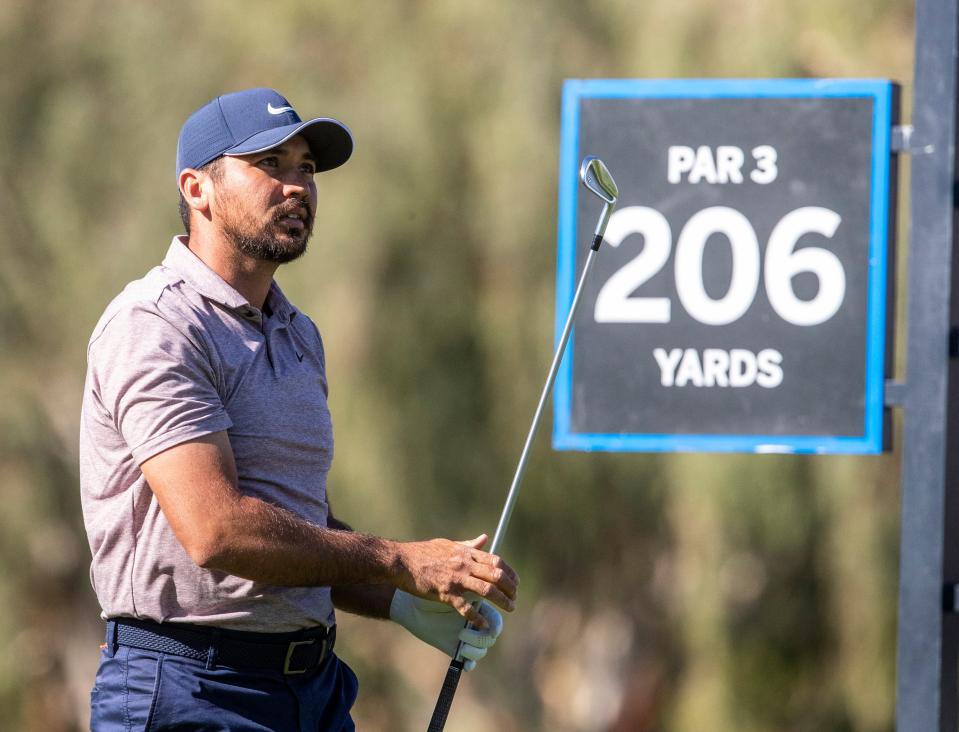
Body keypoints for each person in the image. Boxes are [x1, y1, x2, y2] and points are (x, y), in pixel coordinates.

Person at [79, 87, 519, 731]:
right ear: (197, 189)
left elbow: (298, 527)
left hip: (312, 690)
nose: (297, 187)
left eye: (306, 169)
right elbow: (219, 530)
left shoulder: (297, 333)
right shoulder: (156, 324)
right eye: (271, 165)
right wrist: (402, 562)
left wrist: (400, 601)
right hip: (186, 689)